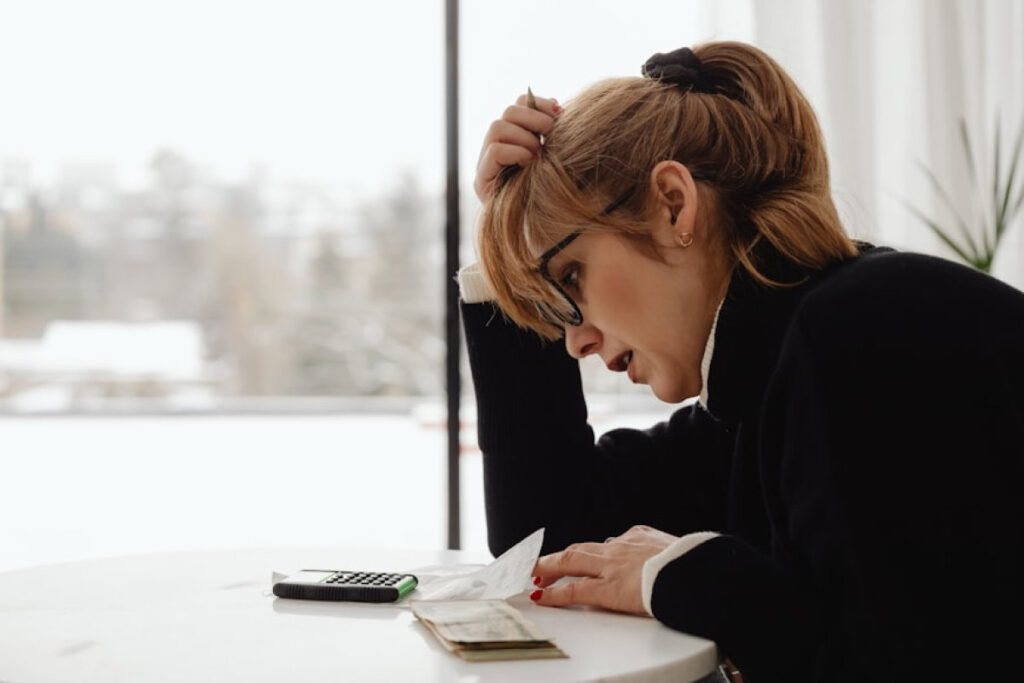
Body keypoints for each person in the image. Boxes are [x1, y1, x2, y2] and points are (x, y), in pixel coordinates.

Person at [458, 42, 1024, 682]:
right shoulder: (768, 378)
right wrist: (504, 249)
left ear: (674, 202)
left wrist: (683, 575)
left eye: (570, 277)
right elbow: (549, 539)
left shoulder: (867, 335)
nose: (574, 341)